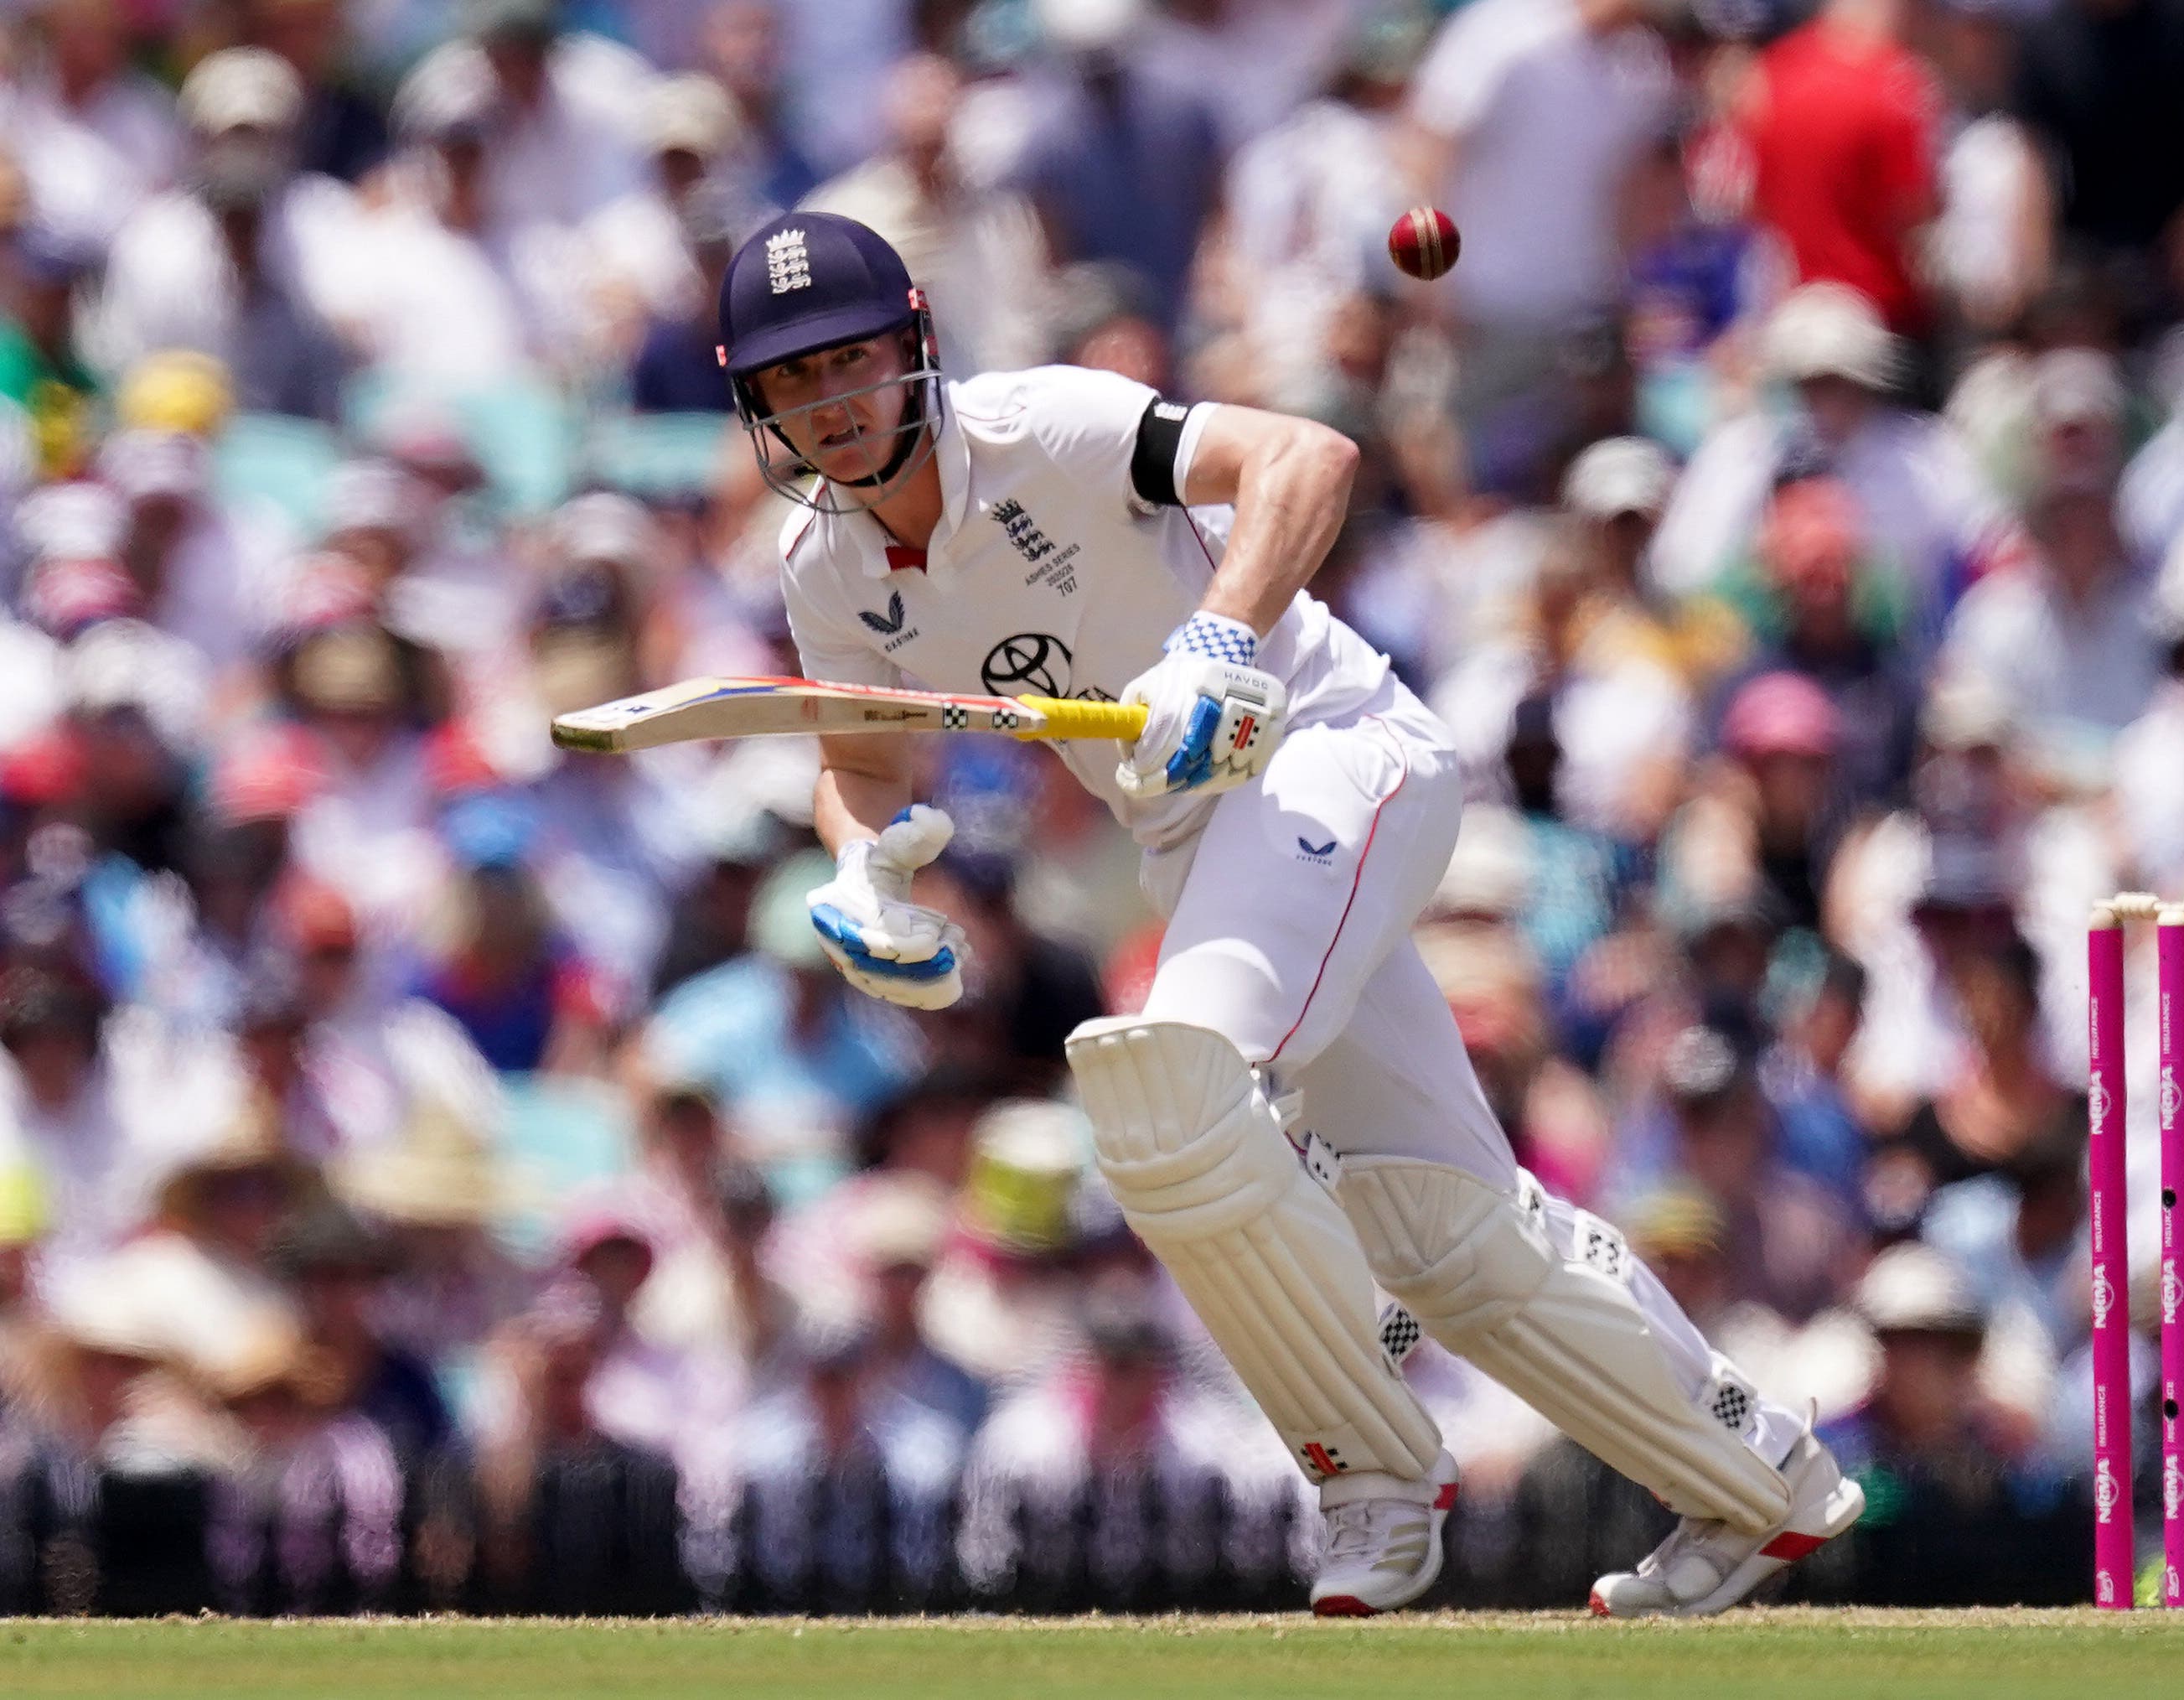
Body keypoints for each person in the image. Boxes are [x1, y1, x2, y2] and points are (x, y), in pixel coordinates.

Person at [707, 211, 1861, 1617]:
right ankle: (1760, 1484)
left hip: (1331, 750)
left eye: (850, 364)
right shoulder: (823, 568)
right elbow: (863, 758)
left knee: (1166, 1090)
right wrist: (859, 869)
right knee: (1444, 1230)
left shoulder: (1043, 426)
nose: (826, 406)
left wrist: (1219, 636)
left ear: (914, 347)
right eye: (791, 383)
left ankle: (1371, 1475)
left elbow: (1306, 458)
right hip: (1202, 838)